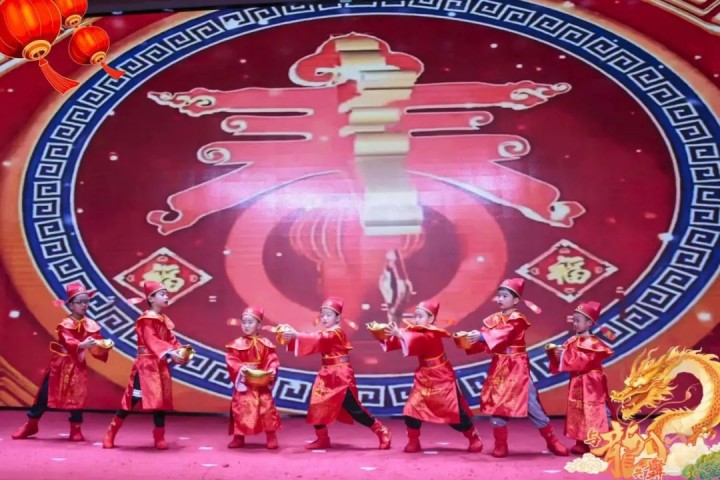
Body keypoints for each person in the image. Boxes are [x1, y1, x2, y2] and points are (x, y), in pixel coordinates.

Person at [465, 278, 569, 457]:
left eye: (505, 296)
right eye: (499, 296)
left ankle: (552, 441)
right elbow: (486, 337)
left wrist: (482, 337)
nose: (500, 299)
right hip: (500, 366)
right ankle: (500, 445)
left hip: (516, 366)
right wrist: (471, 339)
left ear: (515, 300)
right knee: (498, 404)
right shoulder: (494, 319)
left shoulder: (517, 319)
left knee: (531, 404)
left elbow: (504, 334)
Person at [281, 296, 392, 450]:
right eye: (323, 315)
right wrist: (292, 337)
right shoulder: (325, 333)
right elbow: (316, 341)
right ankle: (322, 438)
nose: (324, 318)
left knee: (354, 409)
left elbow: (319, 338)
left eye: (329, 315)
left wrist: (297, 335)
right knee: (316, 405)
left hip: (340, 375)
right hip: (326, 374)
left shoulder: (336, 333)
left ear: (338, 318)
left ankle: (381, 430)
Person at [12, 282, 112, 441]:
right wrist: (81, 345)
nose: (84, 305)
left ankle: (76, 429)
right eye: (80, 302)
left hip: (77, 364)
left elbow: (96, 343)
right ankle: (31, 424)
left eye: (86, 301)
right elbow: (67, 340)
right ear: (71, 305)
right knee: (45, 394)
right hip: (61, 364)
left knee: (77, 395)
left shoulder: (91, 324)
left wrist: (104, 345)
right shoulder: (65, 324)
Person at [379, 299, 483, 453]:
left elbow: (418, 340)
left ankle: (473, 437)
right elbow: (405, 339)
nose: (416, 319)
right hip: (424, 376)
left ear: (431, 319)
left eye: (420, 316)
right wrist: (384, 334)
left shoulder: (432, 334)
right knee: (411, 409)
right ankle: (413, 441)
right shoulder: (416, 332)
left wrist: (399, 334)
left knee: (453, 413)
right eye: (415, 316)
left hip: (441, 376)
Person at [102, 281, 190, 449]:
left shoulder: (163, 320)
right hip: (146, 366)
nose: (166, 296)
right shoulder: (146, 319)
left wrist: (181, 351)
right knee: (132, 399)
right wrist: (170, 352)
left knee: (160, 402)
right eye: (162, 294)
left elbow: (171, 340)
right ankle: (111, 432)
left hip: (160, 364)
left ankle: (159, 437)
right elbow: (151, 340)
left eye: (166, 293)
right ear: (151, 298)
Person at [546, 301, 614, 454]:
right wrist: (554, 355)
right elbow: (562, 362)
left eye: (578, 320)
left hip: (592, 382)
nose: (575, 323)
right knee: (577, 410)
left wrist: (565, 355)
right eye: (574, 320)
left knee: (596, 411)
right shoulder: (571, 341)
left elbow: (586, 361)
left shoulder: (595, 343)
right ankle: (581, 442)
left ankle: (607, 443)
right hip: (577, 382)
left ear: (589, 323)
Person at [226, 306, 281, 449]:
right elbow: (231, 360)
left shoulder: (266, 344)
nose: (246, 325)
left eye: (250, 322)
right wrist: (241, 368)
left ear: (259, 325)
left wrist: (271, 369)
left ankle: (271, 436)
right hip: (245, 382)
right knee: (240, 408)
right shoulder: (236, 344)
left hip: (261, 381)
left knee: (266, 408)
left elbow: (272, 360)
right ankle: (238, 437)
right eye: (244, 322)